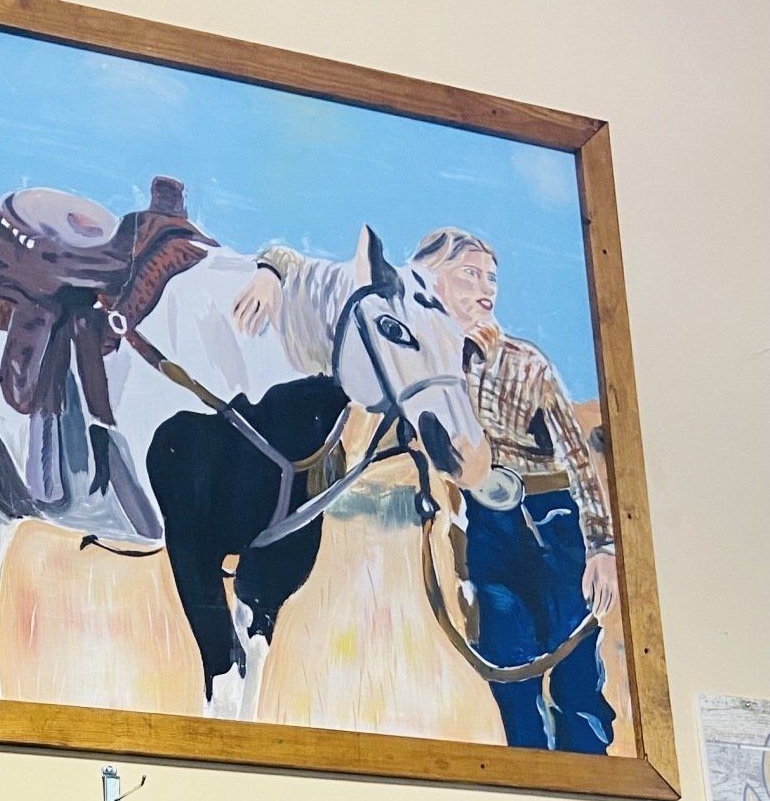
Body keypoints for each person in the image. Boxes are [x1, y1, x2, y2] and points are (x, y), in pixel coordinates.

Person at [233, 230, 618, 753]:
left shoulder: (526, 364)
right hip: (487, 525)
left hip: (554, 521)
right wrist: (270, 270)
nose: (486, 289)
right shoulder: (421, 356)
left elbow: (577, 460)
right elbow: (321, 278)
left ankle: (590, 777)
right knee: (509, 669)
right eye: (470, 275)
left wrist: (602, 547)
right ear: (433, 283)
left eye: (491, 278)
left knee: (576, 679)